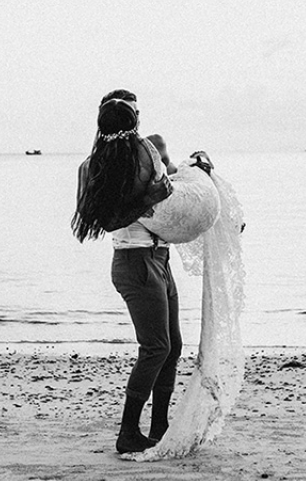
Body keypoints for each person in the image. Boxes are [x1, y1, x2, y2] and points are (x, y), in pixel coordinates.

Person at [72, 90, 211, 454]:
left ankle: (160, 425)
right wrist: (147, 199)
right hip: (133, 261)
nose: (135, 121)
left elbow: (169, 187)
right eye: (130, 115)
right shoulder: (95, 167)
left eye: (135, 113)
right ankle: (128, 432)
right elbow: (101, 220)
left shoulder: (144, 152)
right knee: (156, 347)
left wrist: (198, 175)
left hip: (159, 258)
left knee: (172, 345)